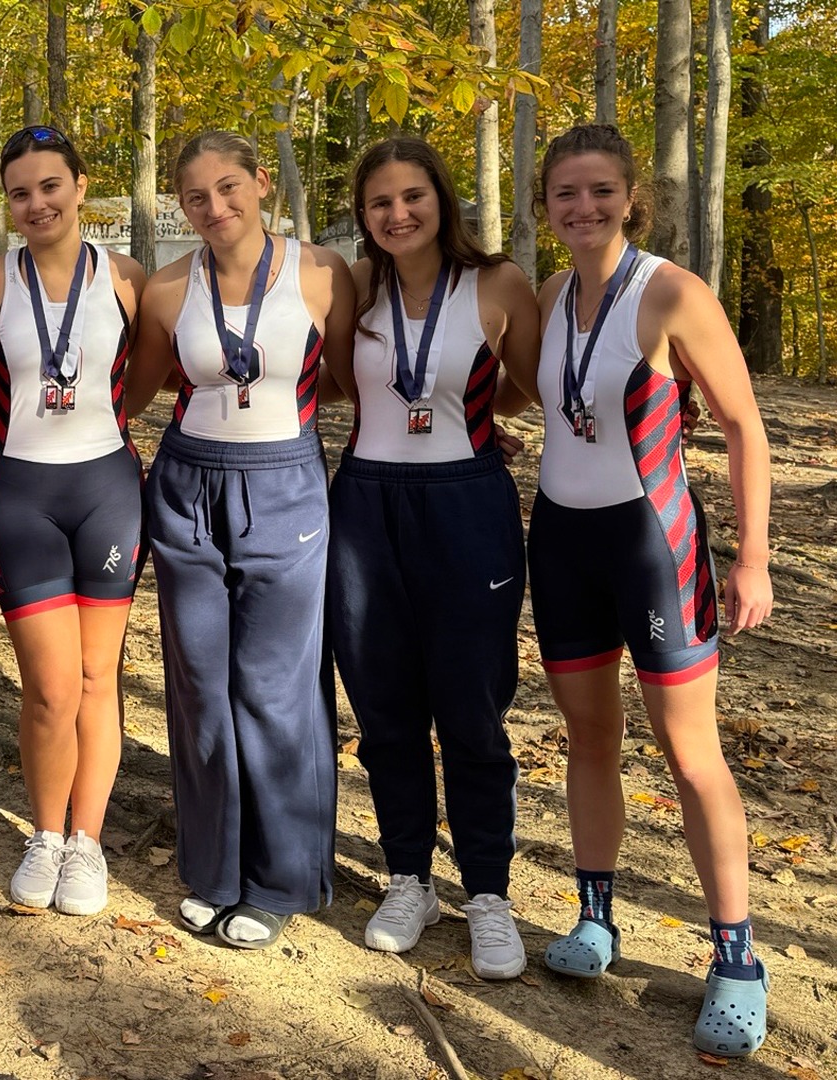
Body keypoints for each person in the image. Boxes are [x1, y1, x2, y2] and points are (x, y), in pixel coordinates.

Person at [526, 124, 773, 1056]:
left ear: (631, 197)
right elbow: (536, 397)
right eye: (565, 195)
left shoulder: (673, 291)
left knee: (690, 752)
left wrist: (752, 559)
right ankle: (595, 917)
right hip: (561, 542)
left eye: (599, 192)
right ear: (546, 207)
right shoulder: (551, 293)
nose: (582, 209)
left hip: (653, 546)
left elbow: (745, 426)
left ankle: (738, 959)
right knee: (588, 737)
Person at [126, 130, 354, 948]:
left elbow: (347, 379)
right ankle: (212, 868)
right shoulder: (166, 288)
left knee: (275, 686)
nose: (215, 208)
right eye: (195, 198)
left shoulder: (322, 271)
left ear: (262, 183)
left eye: (229, 188)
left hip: (285, 481)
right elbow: (140, 390)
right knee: (198, 685)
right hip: (187, 484)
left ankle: (282, 877)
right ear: (179, 207)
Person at [324, 136, 539, 978]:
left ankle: (488, 889)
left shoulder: (497, 284)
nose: (397, 214)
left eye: (412, 197)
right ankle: (410, 875)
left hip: (467, 502)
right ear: (363, 216)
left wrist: (474, 418)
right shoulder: (358, 286)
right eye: (380, 203)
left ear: (441, 200)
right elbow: (341, 381)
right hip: (369, 503)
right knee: (384, 705)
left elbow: (526, 382)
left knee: (472, 705)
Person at [0, 126, 147, 918]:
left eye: (49, 186)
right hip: (23, 494)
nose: (36, 203)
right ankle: (45, 834)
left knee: (98, 679)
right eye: (19, 193)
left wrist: (104, 427)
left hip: (107, 486)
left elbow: (146, 375)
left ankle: (87, 842)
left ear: (79, 186)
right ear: (7, 205)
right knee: (47, 687)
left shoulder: (129, 277)